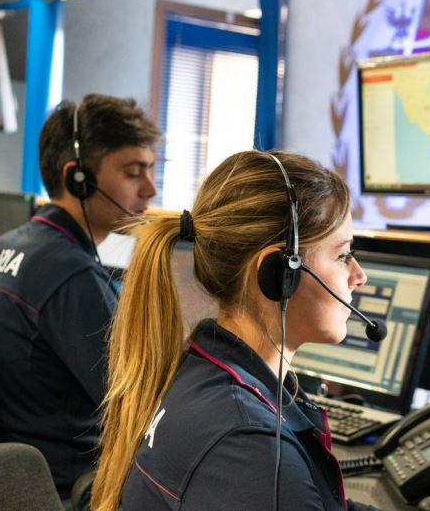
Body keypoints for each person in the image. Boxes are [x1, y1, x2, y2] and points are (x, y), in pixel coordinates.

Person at [92, 149, 383, 511]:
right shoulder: (251, 446)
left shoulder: (206, 371)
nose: (359, 276)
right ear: (279, 274)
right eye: (342, 255)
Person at [0, 93, 159, 502]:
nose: (150, 190)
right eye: (134, 172)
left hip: (10, 480)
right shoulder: (71, 278)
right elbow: (145, 404)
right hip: (67, 488)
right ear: (77, 178)